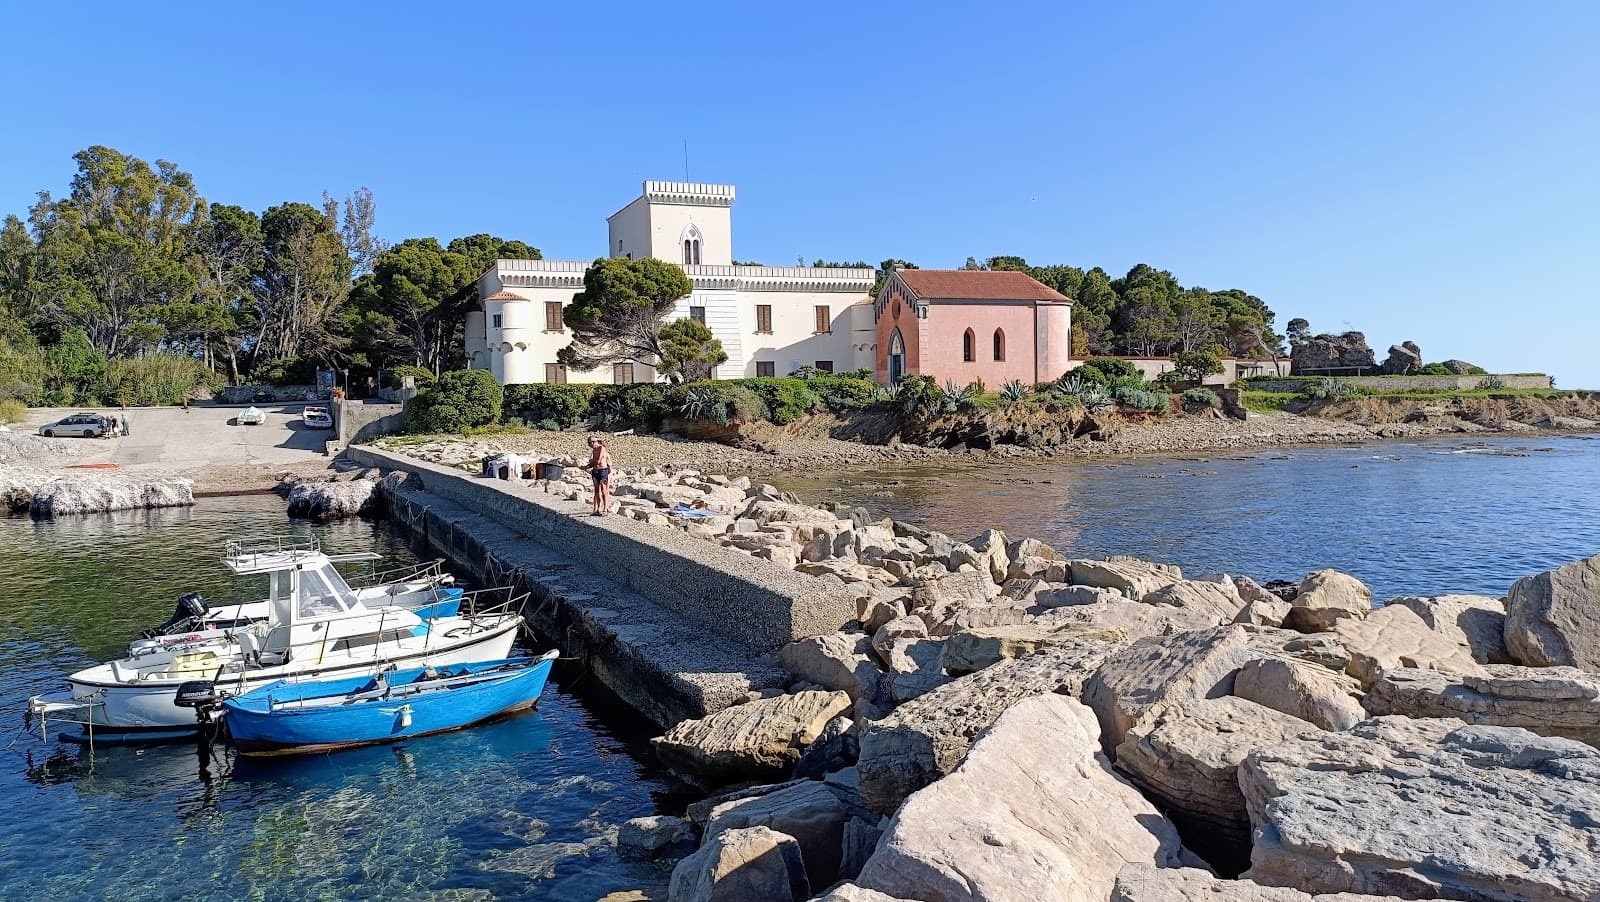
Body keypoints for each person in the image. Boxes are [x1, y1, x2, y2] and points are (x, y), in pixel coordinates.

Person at [581, 436, 611, 516]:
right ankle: (598, 509)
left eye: (590, 443)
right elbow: (594, 461)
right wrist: (587, 466)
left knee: (604, 490)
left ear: (594, 442)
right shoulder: (594, 450)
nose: (590, 445)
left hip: (602, 471)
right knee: (597, 491)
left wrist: (588, 466)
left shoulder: (602, 449)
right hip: (595, 471)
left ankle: (605, 509)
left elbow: (598, 461)